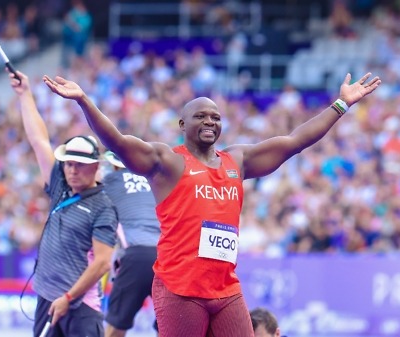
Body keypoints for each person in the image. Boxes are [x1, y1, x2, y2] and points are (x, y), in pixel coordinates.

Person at [42, 71, 381, 337]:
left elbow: (294, 142)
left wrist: (341, 105)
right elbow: (117, 141)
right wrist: (84, 100)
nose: (210, 122)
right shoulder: (167, 162)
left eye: (215, 117)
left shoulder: (238, 160)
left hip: (225, 288)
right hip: (180, 289)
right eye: (201, 117)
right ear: (182, 125)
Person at [8, 70, 118, 337]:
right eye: (69, 163)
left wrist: (68, 297)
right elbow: (39, 141)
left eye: (80, 165)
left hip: (80, 307)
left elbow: (102, 263)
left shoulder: (104, 206)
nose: (72, 170)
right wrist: (25, 95)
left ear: (95, 168)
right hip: (48, 299)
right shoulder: (60, 186)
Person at [101, 150, 160, 337]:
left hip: (136, 255)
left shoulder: (109, 181)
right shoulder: (157, 181)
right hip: (167, 256)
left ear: (115, 165)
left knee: (116, 325)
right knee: (170, 327)